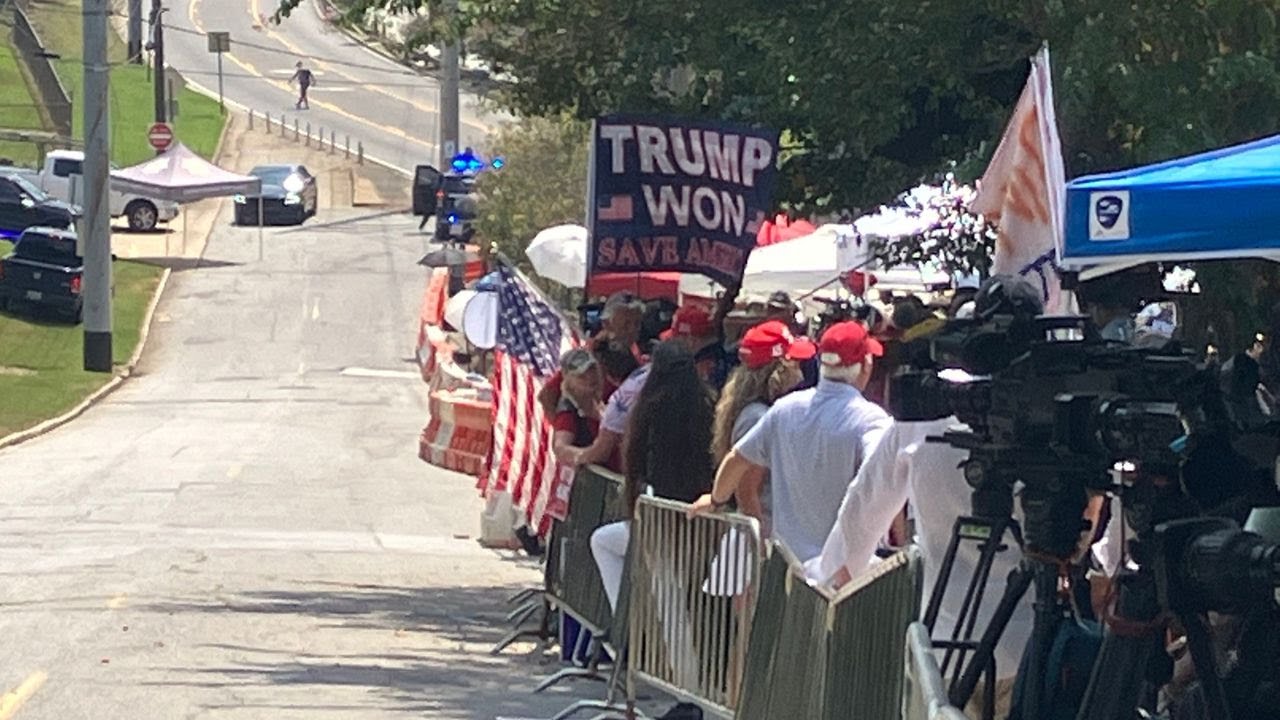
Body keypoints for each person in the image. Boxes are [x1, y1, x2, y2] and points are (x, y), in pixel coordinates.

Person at [688, 321, 892, 564]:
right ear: (865, 366)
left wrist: (715, 500)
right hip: (841, 571)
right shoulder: (871, 420)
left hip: (788, 570)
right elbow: (879, 476)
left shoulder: (785, 409)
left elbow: (737, 459)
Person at [590, 341, 716, 611]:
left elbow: (638, 464)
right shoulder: (709, 407)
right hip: (705, 523)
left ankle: (625, 622)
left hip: (660, 519)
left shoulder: (649, 409)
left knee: (604, 543)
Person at [710, 320, 812, 534]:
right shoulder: (757, 417)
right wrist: (761, 544)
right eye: (794, 362)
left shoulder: (756, 411)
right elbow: (747, 489)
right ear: (779, 368)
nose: (799, 371)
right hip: (756, 540)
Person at [550, 348, 605, 464]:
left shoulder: (595, 400)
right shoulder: (568, 414)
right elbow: (560, 447)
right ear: (568, 379)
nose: (590, 378)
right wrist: (588, 454)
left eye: (592, 371)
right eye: (582, 376)